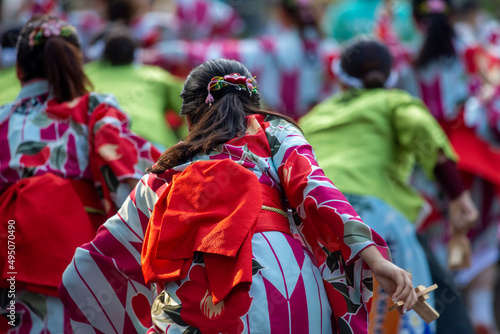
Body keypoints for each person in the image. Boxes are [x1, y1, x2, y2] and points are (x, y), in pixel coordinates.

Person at [59, 58, 417, 334]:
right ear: (253, 107)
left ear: (190, 119)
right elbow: (316, 189)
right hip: (291, 286)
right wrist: (374, 259)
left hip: (204, 297)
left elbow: (91, 266)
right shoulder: (275, 134)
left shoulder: (167, 173)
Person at [300, 39, 478, 334]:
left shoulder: (314, 118)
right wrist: (459, 195)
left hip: (315, 222)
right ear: (390, 77)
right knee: (423, 309)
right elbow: (421, 130)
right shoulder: (393, 101)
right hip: (376, 223)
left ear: (341, 80)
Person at [0, 15, 160, 333]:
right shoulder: (95, 110)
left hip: (12, 251)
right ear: (77, 64)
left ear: (19, 69)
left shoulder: (3, 119)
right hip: (78, 251)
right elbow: (126, 178)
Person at [85, 26, 186, 150]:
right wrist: (187, 142)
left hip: (98, 145)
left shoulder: (85, 75)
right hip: (151, 143)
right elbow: (196, 106)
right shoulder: (155, 76)